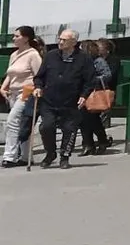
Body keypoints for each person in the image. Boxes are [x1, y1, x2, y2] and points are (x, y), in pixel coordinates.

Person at [36, 29, 98, 169]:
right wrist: (38, 86)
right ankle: (50, 153)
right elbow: (40, 76)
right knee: (46, 127)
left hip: (71, 101)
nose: (60, 42)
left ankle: (65, 156)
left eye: (64, 40)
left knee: (69, 129)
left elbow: (90, 80)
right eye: (60, 39)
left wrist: (84, 95)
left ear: (74, 42)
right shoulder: (51, 56)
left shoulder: (83, 58)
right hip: (49, 100)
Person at [1, 28, 42, 168]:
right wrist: (3, 87)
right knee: (22, 124)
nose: (13, 38)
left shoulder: (33, 55)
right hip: (13, 92)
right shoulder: (14, 55)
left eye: (16, 36)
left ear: (26, 38)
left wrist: (38, 89)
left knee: (12, 121)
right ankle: (25, 156)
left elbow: (39, 75)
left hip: (26, 92)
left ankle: (9, 156)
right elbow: (10, 74)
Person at [81, 39, 121, 156]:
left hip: (95, 93)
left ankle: (101, 141)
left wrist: (93, 79)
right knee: (83, 120)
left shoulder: (98, 61)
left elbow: (107, 75)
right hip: (83, 93)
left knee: (92, 119)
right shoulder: (80, 62)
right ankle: (89, 144)